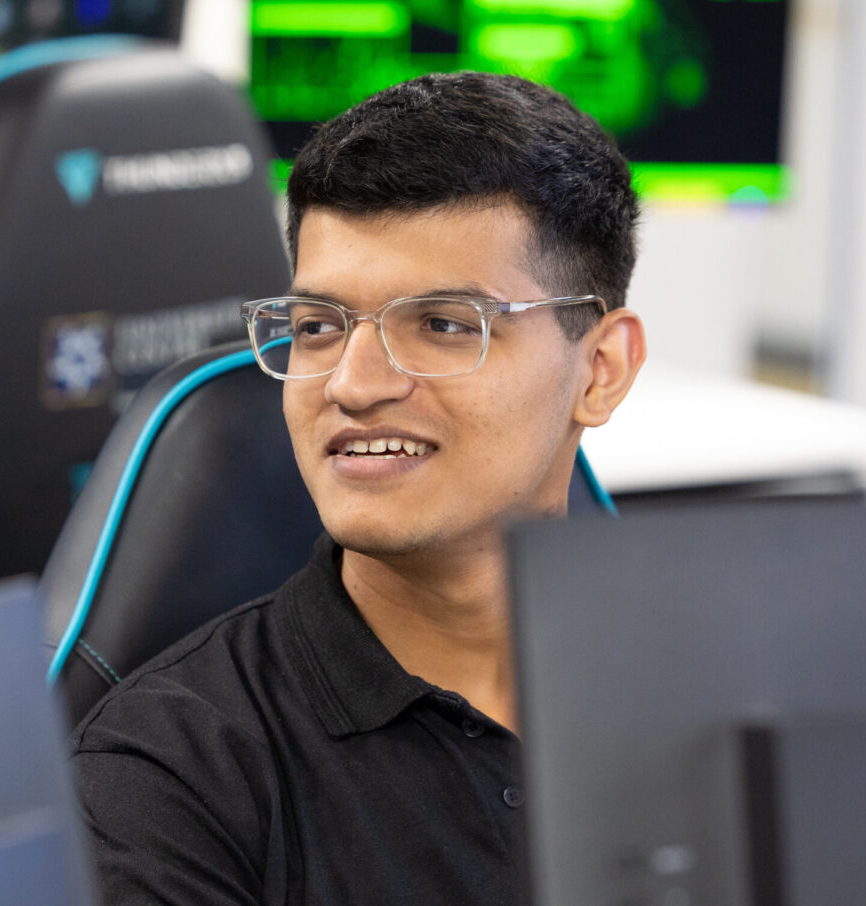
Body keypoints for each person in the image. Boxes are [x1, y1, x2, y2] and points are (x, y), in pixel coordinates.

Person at [71, 70, 646, 905]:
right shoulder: (167, 778)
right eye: (317, 328)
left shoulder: (744, 681)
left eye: (447, 325)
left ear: (600, 369)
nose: (353, 383)